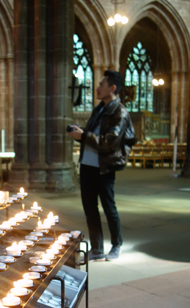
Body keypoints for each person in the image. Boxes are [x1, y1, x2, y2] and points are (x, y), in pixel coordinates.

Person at [67, 70, 135, 261]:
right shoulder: (99, 109)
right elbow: (92, 136)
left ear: (112, 88)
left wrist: (84, 136)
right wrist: (81, 134)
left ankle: (116, 245)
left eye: (101, 84)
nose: (97, 88)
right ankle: (96, 249)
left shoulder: (119, 112)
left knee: (108, 207)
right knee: (90, 209)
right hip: (87, 166)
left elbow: (109, 142)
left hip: (104, 167)